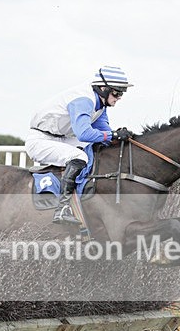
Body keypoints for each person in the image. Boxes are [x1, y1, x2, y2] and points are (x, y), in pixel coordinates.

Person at [26, 65, 133, 225]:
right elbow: (84, 134)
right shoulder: (84, 100)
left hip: (61, 137)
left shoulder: (101, 105)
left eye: (122, 93)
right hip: (41, 140)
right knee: (80, 156)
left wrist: (119, 137)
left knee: (96, 150)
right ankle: (62, 209)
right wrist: (113, 135)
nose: (119, 97)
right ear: (103, 88)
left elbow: (104, 134)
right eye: (117, 92)